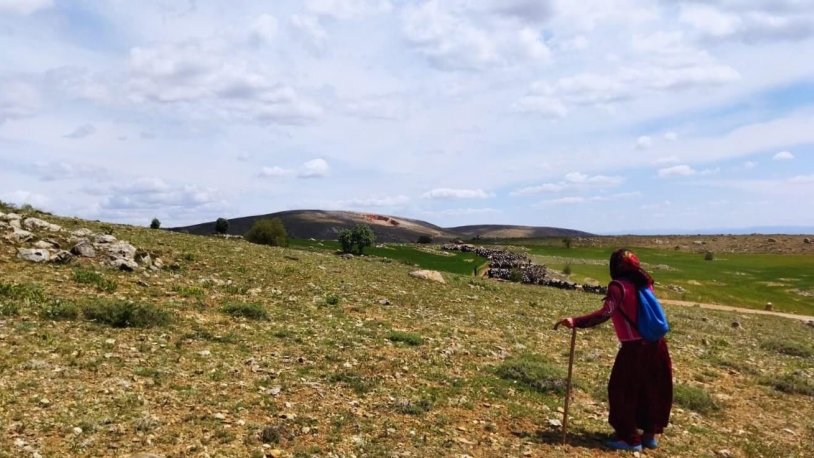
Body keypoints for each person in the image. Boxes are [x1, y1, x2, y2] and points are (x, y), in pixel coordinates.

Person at [556, 248, 673, 452]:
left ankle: (629, 440)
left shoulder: (618, 286)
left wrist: (576, 321)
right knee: (652, 389)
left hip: (634, 348)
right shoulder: (645, 283)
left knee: (622, 390)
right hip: (657, 344)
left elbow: (606, 312)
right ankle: (649, 435)